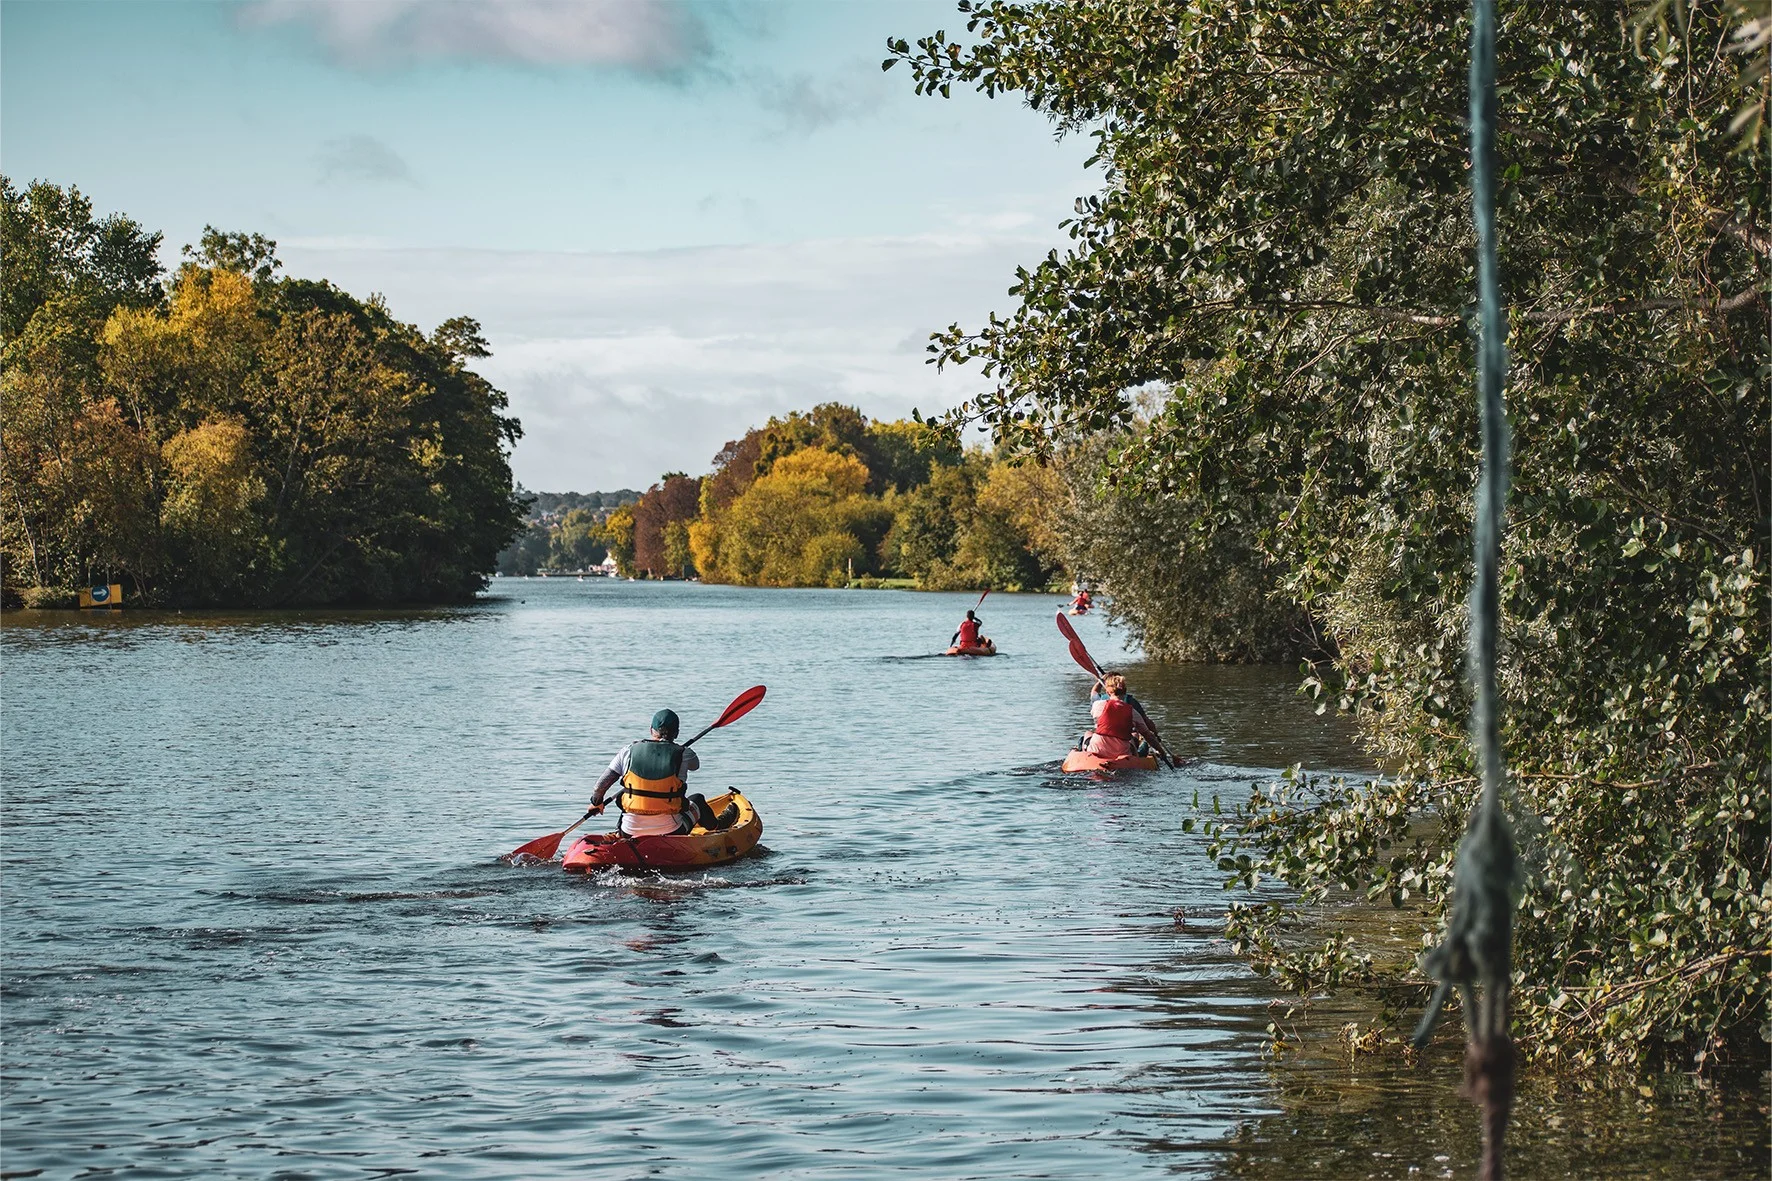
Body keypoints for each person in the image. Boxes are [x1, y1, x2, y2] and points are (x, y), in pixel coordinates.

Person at [588, 709, 737, 836]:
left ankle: (619, 835)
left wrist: (596, 802)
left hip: (629, 830)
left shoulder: (628, 751)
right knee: (697, 799)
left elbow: (600, 786)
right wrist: (677, 750)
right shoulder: (684, 753)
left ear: (651, 730)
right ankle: (718, 827)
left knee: (625, 797)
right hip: (671, 830)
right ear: (677, 733)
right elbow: (695, 766)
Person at [1082, 673, 1156, 760]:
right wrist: (1156, 735)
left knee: (1088, 733)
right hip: (1121, 751)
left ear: (1107, 691)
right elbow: (1146, 723)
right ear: (1125, 690)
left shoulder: (1098, 702)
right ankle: (1138, 756)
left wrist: (1100, 679)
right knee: (1135, 735)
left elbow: (1094, 692)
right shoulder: (1131, 704)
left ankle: (1083, 754)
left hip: (1098, 748)